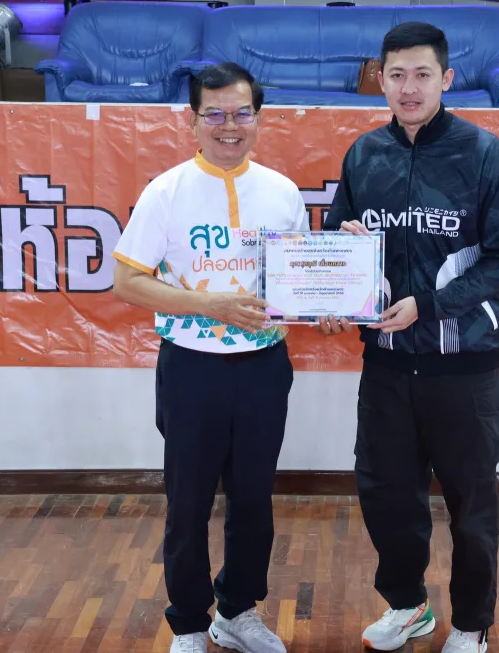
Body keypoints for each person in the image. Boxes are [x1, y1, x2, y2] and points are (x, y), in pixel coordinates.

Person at [319, 22, 499, 653]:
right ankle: (407, 606)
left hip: (462, 367)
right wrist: (336, 271)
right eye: (397, 75)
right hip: (385, 366)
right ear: (380, 80)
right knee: (385, 495)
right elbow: (335, 234)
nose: (409, 88)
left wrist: (427, 307)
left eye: (422, 74)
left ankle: (471, 624)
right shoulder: (363, 154)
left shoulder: (483, 153)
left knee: (471, 504)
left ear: (446, 79)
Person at [112, 62, 309, 653]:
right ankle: (190, 624)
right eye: (215, 113)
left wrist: (331, 299)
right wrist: (210, 305)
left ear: (258, 118)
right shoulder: (166, 191)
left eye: (242, 112)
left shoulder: (283, 193)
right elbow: (127, 282)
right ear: (192, 121)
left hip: (264, 368)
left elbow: (298, 281)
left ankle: (238, 611)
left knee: (253, 499)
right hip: (192, 369)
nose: (230, 125)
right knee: (189, 501)